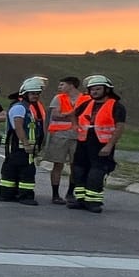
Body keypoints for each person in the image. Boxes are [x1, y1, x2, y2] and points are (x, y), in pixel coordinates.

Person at [67, 74, 125, 214]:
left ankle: (93, 201)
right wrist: (75, 126)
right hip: (84, 142)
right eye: (92, 89)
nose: (94, 92)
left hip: (101, 144)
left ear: (107, 90)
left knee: (96, 173)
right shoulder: (87, 103)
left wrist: (109, 146)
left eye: (98, 89)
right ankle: (80, 199)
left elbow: (119, 127)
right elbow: (72, 114)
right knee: (78, 171)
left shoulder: (116, 106)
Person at [0, 78, 46, 205]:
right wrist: (26, 144)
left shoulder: (29, 107)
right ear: (25, 94)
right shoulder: (20, 108)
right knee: (26, 170)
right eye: (32, 93)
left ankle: (7, 194)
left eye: (37, 93)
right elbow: (18, 127)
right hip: (19, 146)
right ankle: (25, 196)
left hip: (22, 146)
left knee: (12, 169)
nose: (35, 96)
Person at [42, 76, 81, 204]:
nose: (59, 87)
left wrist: (67, 114)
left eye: (62, 85)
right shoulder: (58, 98)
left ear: (71, 85)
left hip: (78, 137)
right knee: (57, 165)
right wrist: (73, 113)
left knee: (76, 166)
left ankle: (71, 193)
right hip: (59, 136)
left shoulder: (85, 98)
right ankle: (55, 195)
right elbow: (55, 114)